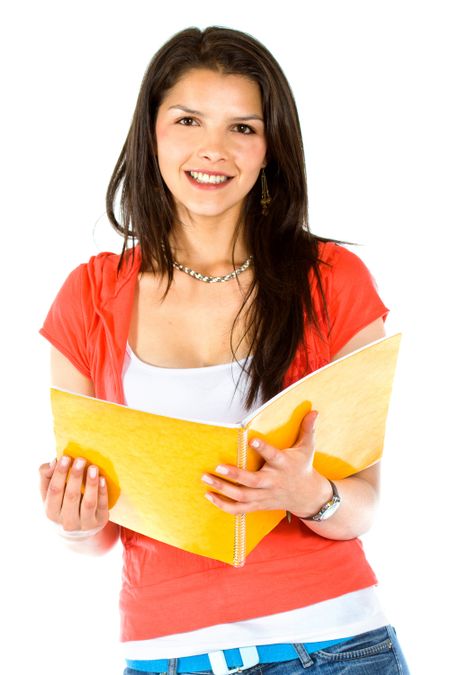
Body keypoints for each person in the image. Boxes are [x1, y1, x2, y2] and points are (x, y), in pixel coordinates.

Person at [39, 26, 410, 675]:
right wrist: (73, 517)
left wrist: (306, 491)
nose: (214, 149)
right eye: (189, 119)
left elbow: (363, 505)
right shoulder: (89, 296)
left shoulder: (331, 280)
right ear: (151, 131)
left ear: (271, 148)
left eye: (243, 128)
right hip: (165, 657)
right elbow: (94, 535)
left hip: (335, 649)